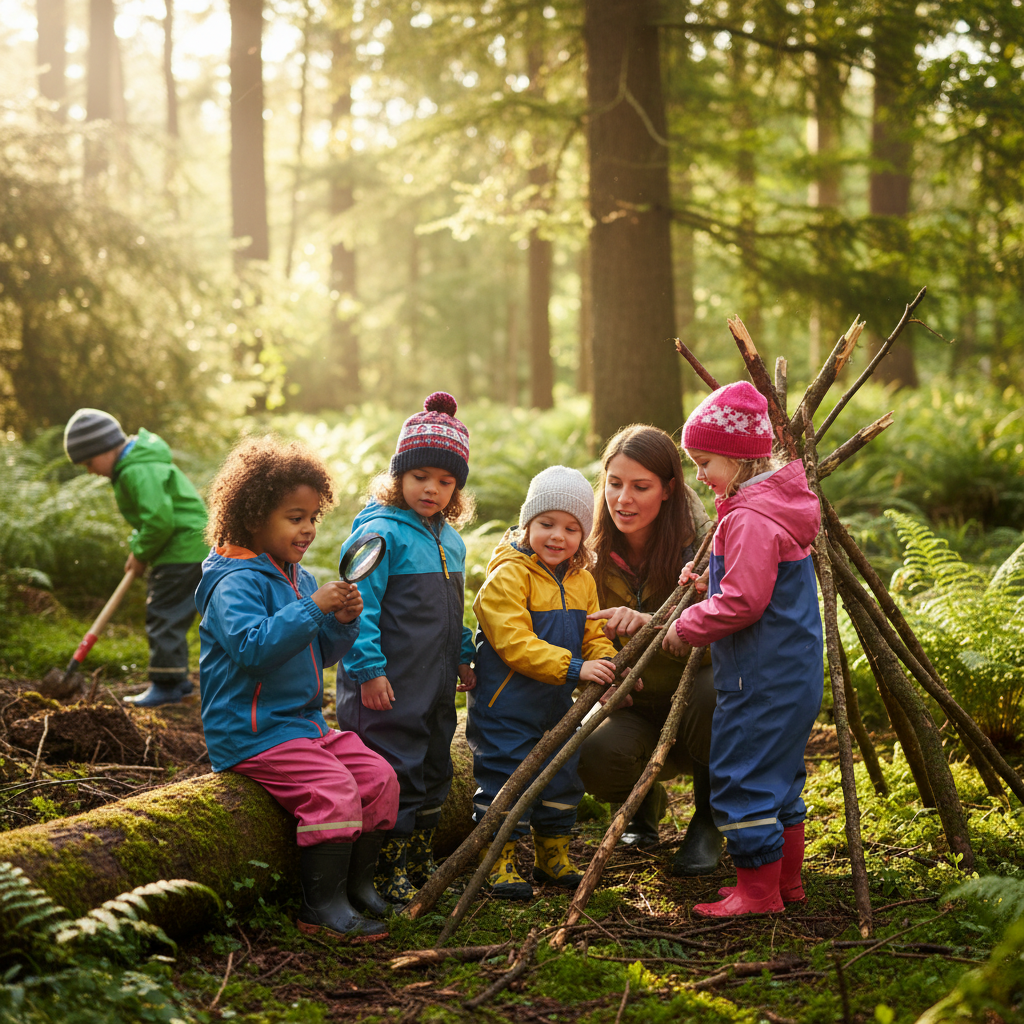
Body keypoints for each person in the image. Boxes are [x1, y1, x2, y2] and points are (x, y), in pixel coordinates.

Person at [195, 436, 399, 942]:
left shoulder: (298, 577)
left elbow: (318, 654)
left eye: (313, 517)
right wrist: (313, 609)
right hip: (252, 731)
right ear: (252, 517)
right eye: (294, 517)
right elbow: (254, 649)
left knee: (377, 776)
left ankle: (358, 888)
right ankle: (321, 906)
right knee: (332, 790)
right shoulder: (233, 582)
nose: (307, 529)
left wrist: (343, 623)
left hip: (303, 726)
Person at [665, 381, 823, 917]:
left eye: (705, 460)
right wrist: (703, 585)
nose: (700, 474)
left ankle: (756, 895)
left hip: (758, 679)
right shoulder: (771, 508)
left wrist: (688, 624)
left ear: (736, 458)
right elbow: (755, 585)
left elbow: (745, 602)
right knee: (780, 779)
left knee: (744, 777)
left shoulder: (751, 518)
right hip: (789, 673)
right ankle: (786, 885)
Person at [336, 392, 477, 905]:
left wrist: (463, 653)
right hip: (387, 686)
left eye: (445, 482)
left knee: (435, 764)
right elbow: (357, 609)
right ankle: (382, 866)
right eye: (421, 477)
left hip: (435, 685)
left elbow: (454, 608)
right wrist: (368, 670)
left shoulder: (451, 541)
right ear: (399, 477)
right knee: (393, 769)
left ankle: (420, 858)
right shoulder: (379, 534)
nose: (432, 489)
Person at [577, 424, 724, 876]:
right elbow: (576, 633)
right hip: (634, 700)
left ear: (668, 489)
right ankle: (642, 802)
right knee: (595, 752)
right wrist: (601, 671)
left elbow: (730, 623)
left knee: (715, 694)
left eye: (640, 487)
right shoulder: (589, 552)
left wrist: (656, 626)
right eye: (614, 484)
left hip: (696, 694)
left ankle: (709, 819)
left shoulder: (704, 546)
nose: (623, 499)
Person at [467, 466, 620, 900]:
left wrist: (607, 666)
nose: (558, 536)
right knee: (504, 777)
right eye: (546, 523)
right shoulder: (508, 576)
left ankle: (552, 854)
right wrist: (576, 669)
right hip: (506, 706)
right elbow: (514, 643)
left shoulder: (582, 579)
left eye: (572, 528)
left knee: (561, 778)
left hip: (557, 707)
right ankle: (497, 857)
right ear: (526, 523)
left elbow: (594, 635)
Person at [63, 408, 208, 707]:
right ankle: (178, 680)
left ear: (106, 447)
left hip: (179, 549)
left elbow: (159, 521)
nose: (90, 471)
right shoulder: (141, 462)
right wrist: (138, 547)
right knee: (173, 613)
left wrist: (141, 552)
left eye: (90, 462)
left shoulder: (135, 469)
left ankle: (166, 685)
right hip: (189, 546)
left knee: (164, 613)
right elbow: (152, 520)